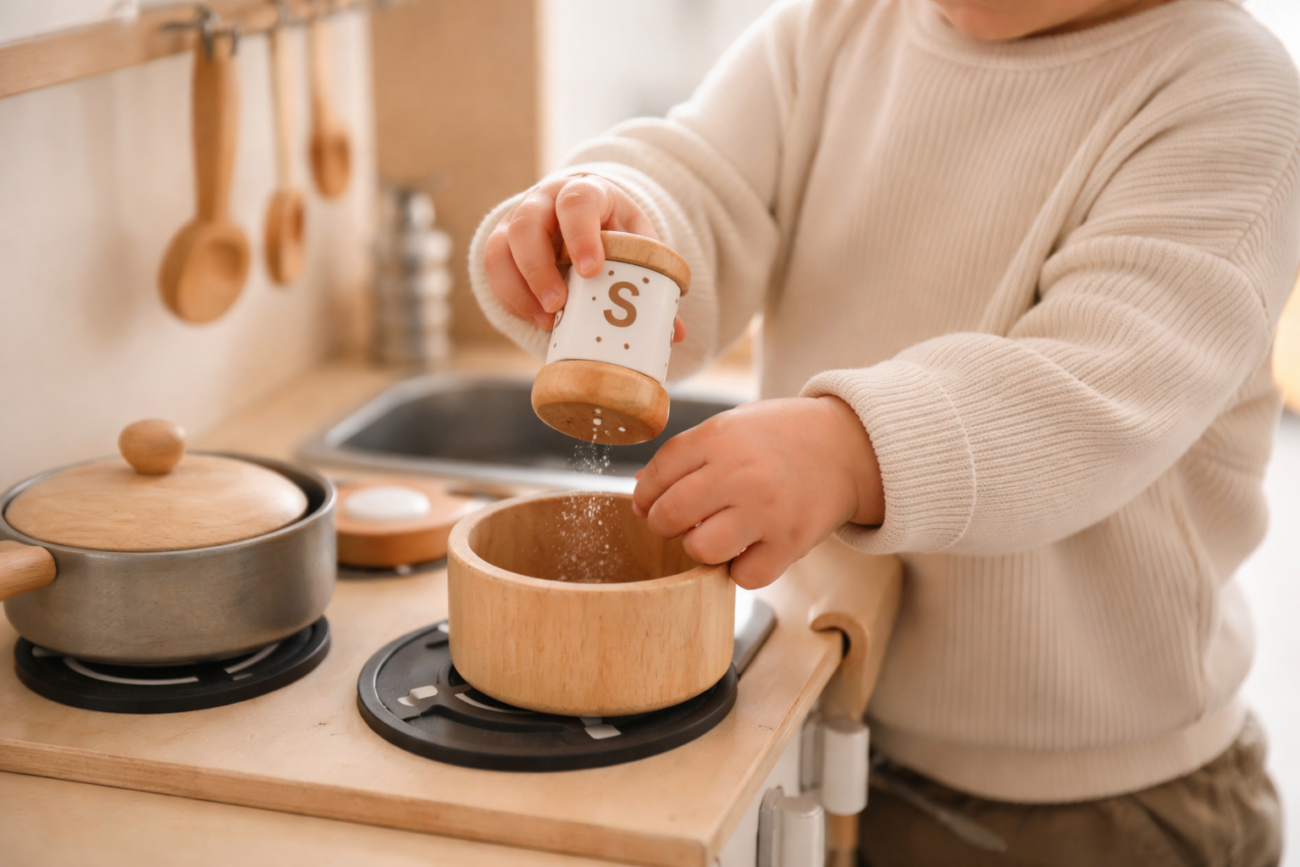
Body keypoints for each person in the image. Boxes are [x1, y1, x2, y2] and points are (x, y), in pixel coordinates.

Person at [469, 0, 1297, 862]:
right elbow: (703, 182)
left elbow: (1093, 388)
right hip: (827, 702)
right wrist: (607, 229)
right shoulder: (832, 31)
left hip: (1093, 802)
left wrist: (850, 452)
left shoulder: (1227, 91)